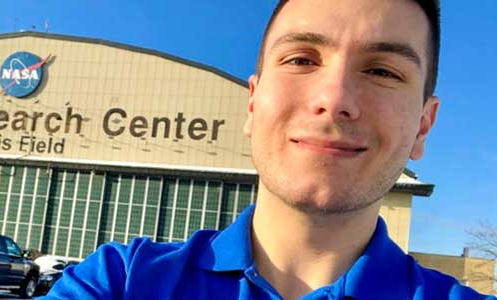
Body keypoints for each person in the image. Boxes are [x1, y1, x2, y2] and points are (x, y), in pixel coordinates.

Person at [42, 0, 496, 299]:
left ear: (423, 125)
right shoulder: (120, 283)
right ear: (253, 102)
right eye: (301, 59)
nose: (334, 100)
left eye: (382, 71)